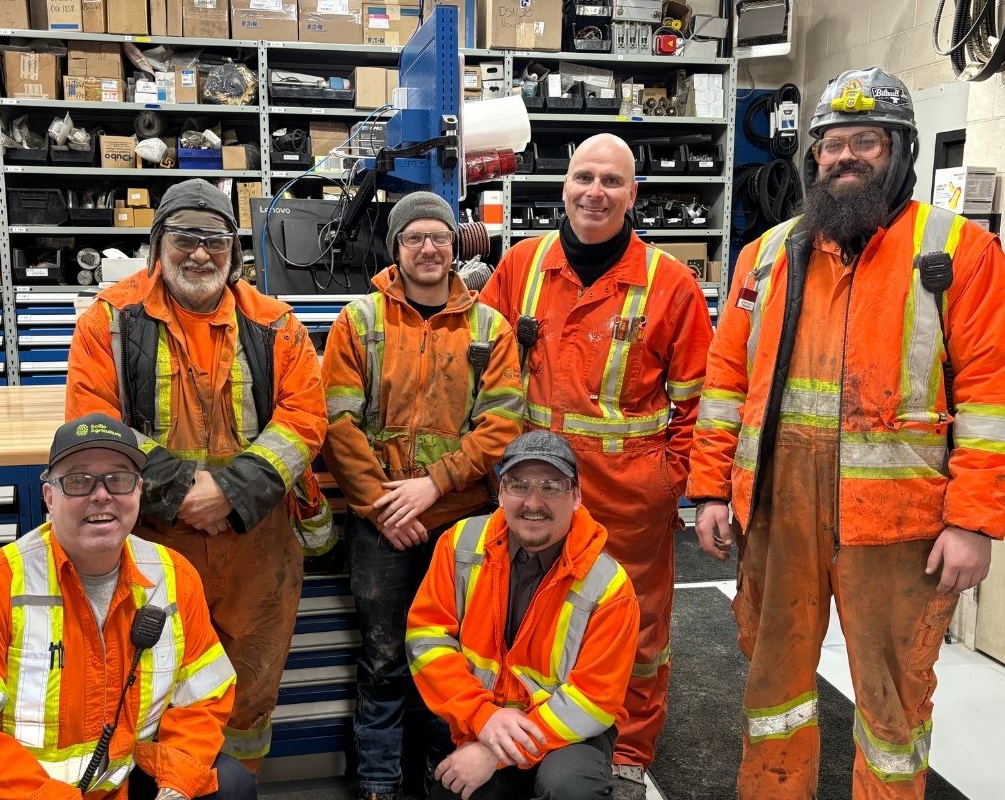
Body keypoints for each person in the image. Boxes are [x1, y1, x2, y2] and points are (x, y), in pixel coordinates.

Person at [687, 67, 1005, 799]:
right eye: (832, 144)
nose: (846, 157)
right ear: (814, 157)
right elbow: (726, 384)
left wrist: (974, 522)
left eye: (867, 141)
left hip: (901, 527)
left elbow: (990, 398)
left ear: (900, 151)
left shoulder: (956, 252)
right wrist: (709, 490)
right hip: (779, 515)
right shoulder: (767, 256)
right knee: (773, 692)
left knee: (894, 706)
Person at [65, 178, 328, 773]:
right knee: (149, 686)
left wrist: (230, 493)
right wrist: (186, 494)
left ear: (234, 252)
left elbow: (305, 418)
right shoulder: (110, 320)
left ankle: (235, 784)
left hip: (257, 545)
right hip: (153, 544)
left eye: (215, 240)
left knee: (249, 691)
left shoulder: (275, 323)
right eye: (185, 239)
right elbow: (94, 422)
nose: (200, 254)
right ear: (158, 246)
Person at [479, 133, 713, 797]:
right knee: (529, 609)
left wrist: (671, 481)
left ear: (633, 194)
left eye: (612, 181)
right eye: (584, 177)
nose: (595, 192)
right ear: (564, 186)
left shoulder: (669, 283)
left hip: (628, 494)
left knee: (635, 625)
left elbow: (701, 399)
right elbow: (482, 364)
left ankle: (628, 750)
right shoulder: (521, 266)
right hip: (533, 488)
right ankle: (533, 726)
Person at [0, 413, 254, 800]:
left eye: (118, 478)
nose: (101, 494)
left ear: (138, 491)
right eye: (78, 481)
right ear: (49, 497)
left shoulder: (174, 577)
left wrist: (177, 782)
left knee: (230, 784)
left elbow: (204, 697)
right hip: (21, 793)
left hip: (121, 782)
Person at [320, 191, 524, 800]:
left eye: (439, 236)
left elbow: (503, 422)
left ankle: (445, 780)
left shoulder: (489, 326)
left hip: (460, 520)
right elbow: (335, 421)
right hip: (382, 522)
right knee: (383, 658)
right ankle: (378, 784)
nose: (428, 248)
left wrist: (434, 485)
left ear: (454, 245)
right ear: (397, 248)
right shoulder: (359, 321)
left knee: (457, 658)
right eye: (414, 237)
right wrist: (384, 505)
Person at [405, 430, 640, 800]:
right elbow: (427, 639)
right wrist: (481, 717)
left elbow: (594, 700)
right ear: (500, 493)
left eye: (551, 486)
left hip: (568, 734)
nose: (533, 502)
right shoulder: (459, 544)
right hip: (483, 719)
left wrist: (494, 753)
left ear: (576, 496)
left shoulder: (609, 586)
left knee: (570, 788)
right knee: (453, 793)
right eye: (518, 485)